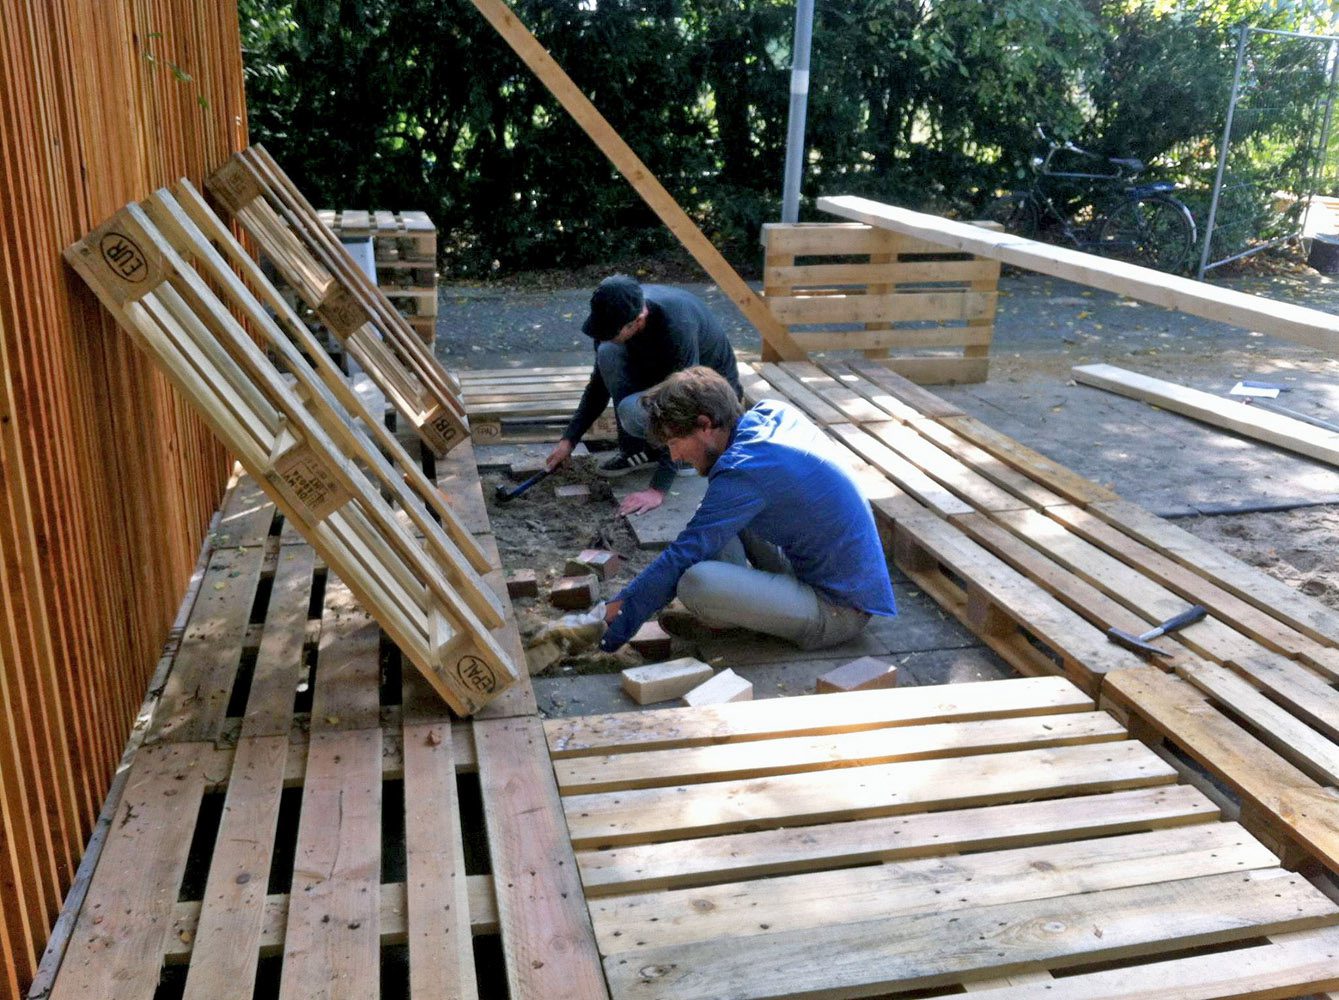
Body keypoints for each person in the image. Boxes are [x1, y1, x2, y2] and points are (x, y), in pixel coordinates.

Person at [598, 366, 897, 653]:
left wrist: (618, 618)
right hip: (817, 570)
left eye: (676, 442)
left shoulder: (745, 469)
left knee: (695, 582)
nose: (674, 456)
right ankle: (737, 611)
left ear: (705, 425)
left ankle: (733, 617)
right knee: (713, 515)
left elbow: (684, 553)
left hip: (838, 610)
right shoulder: (769, 415)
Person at [545, 275, 742, 516]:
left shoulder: (676, 327)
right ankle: (638, 452)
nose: (603, 337)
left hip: (711, 401)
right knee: (608, 353)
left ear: (638, 321)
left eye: (610, 332)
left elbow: (686, 404)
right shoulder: (617, 314)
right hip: (664, 377)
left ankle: (684, 455)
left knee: (631, 411)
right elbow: (598, 386)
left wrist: (658, 489)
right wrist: (569, 440)